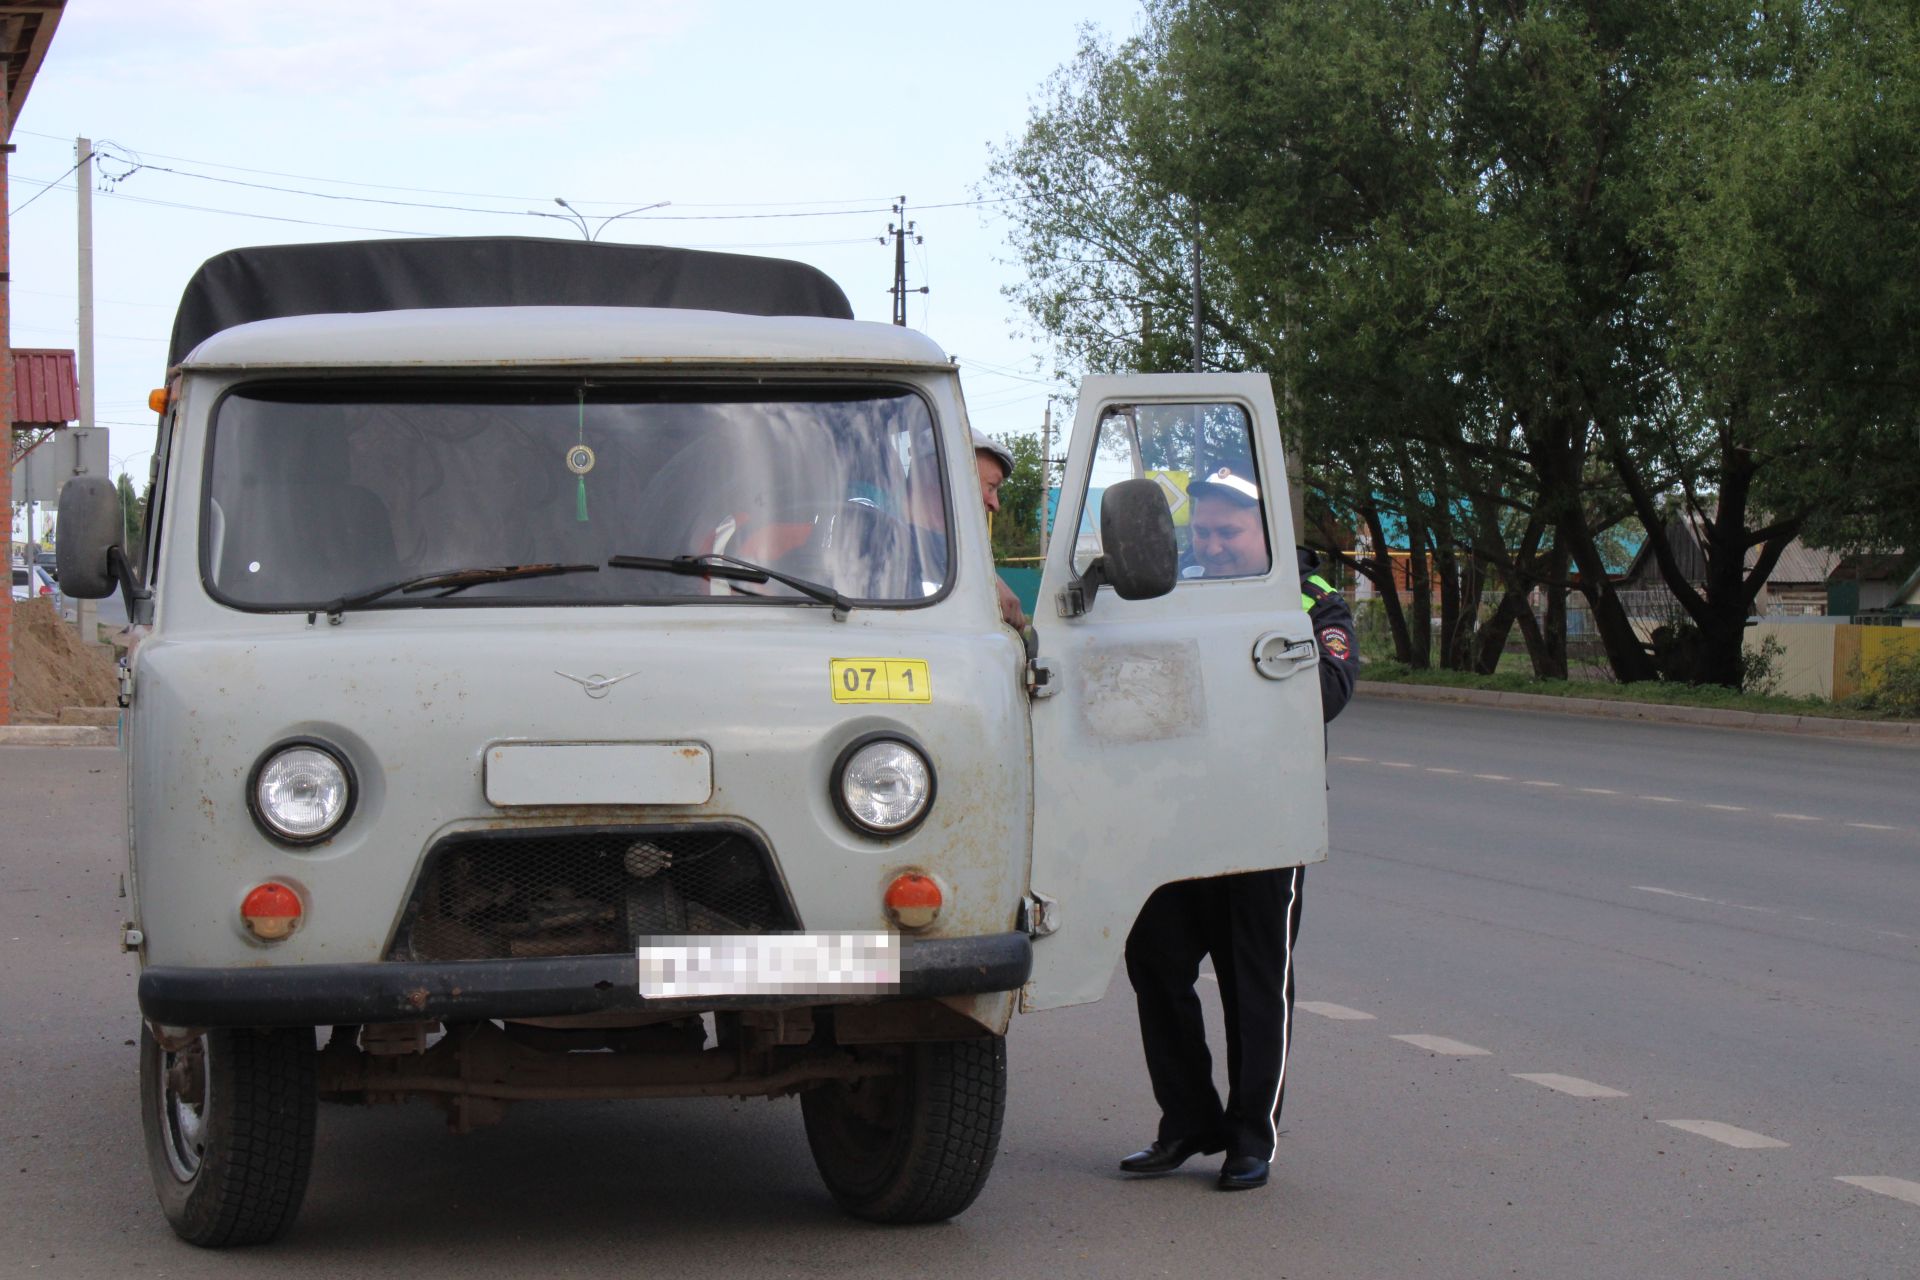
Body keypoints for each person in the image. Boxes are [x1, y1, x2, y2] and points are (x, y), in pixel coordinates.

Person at [1120, 465, 1359, 1192]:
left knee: (1255, 982)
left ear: (1269, 536)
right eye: (1205, 532)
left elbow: (1324, 692)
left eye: (1229, 532)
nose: (1215, 545)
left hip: (1264, 821)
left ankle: (1251, 1136)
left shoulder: (1314, 602)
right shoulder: (1173, 593)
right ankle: (1188, 1120)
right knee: (1156, 964)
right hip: (1178, 819)